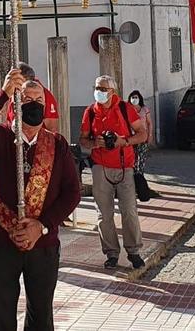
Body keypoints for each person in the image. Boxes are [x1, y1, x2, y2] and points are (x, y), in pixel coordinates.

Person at [0, 72, 82, 331]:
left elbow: (72, 192)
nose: (34, 104)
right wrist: (3, 94)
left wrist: (42, 225)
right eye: (26, 98)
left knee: (41, 315)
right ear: (14, 104)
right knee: (1, 313)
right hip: (1, 239)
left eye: (38, 99)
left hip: (43, 241)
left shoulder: (57, 144)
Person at [79, 74, 147, 270]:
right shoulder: (90, 112)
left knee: (129, 211)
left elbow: (142, 134)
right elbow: (83, 139)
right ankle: (111, 253)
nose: (98, 92)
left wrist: (123, 141)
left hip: (124, 165)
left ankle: (134, 251)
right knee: (104, 214)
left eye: (103, 89)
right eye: (96, 88)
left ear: (112, 91)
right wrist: (94, 143)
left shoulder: (125, 109)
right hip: (100, 165)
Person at [126, 89, 158, 200]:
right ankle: (134, 185)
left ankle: (141, 184)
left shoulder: (144, 110)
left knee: (141, 162)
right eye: (132, 97)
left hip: (143, 139)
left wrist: (150, 136)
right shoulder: (127, 110)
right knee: (132, 162)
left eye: (136, 97)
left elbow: (149, 123)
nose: (134, 99)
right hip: (131, 140)